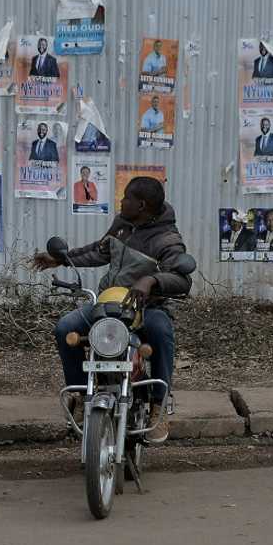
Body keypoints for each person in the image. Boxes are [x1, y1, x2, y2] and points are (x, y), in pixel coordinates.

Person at [33, 176, 192, 444]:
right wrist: (62, 258)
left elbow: (183, 280)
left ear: (141, 205)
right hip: (108, 304)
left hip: (145, 309)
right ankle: (82, 393)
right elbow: (100, 250)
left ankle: (158, 404)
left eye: (126, 197)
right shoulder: (122, 225)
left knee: (162, 331)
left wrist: (152, 280)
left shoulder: (167, 239)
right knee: (65, 328)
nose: (121, 201)